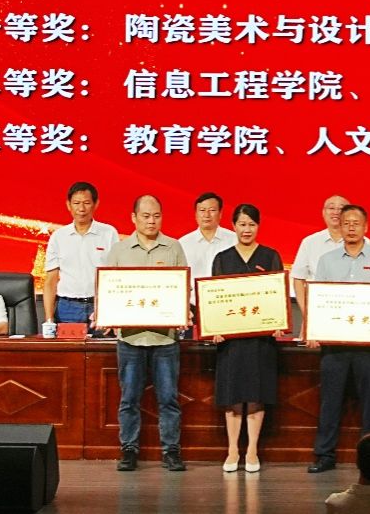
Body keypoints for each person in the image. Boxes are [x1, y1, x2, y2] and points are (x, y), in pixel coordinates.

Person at [307, 204, 370, 473]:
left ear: (366, 227)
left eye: (356, 223)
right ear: (340, 226)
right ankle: (325, 455)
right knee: (330, 401)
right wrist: (313, 330)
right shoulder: (327, 260)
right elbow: (319, 298)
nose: (351, 227)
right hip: (334, 345)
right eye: (346, 223)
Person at [102, 195, 189, 473]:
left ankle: (171, 451)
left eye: (157, 216)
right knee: (129, 399)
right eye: (146, 216)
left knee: (169, 398)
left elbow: (182, 288)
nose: (152, 221)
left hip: (165, 338)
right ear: (133, 217)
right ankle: (128, 450)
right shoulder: (119, 250)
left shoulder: (174, 247)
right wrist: (106, 314)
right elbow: (108, 288)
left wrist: (182, 312)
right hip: (131, 338)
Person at [210, 203, 284, 473]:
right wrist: (214, 327)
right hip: (231, 341)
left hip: (260, 340)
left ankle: (252, 450)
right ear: (233, 226)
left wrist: (278, 323)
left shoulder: (270, 256)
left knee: (255, 394)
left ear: (258, 226)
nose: (246, 229)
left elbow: (277, 296)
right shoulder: (222, 258)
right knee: (233, 396)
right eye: (242, 224)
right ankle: (232, 450)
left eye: (251, 224)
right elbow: (214, 298)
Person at [43, 181, 119, 328]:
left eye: (86, 203)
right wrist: (49, 320)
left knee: (103, 344)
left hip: (100, 306)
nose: (81, 209)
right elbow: (51, 281)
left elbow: (116, 275)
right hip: (67, 308)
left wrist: (111, 309)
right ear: (68, 205)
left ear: (96, 204)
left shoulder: (109, 233)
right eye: (76, 203)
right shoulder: (58, 236)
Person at [290, 194, 353, 316]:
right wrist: (307, 313)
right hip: (319, 309)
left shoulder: (364, 243)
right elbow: (298, 278)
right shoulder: (310, 242)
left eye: (341, 208)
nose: (336, 212)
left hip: (353, 310)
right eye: (331, 208)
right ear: (323, 213)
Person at [178, 191, 236, 283]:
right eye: (202, 210)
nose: (206, 215)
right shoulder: (183, 244)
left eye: (212, 210)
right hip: (194, 292)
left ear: (220, 214)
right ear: (196, 214)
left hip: (225, 291)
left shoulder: (234, 240)